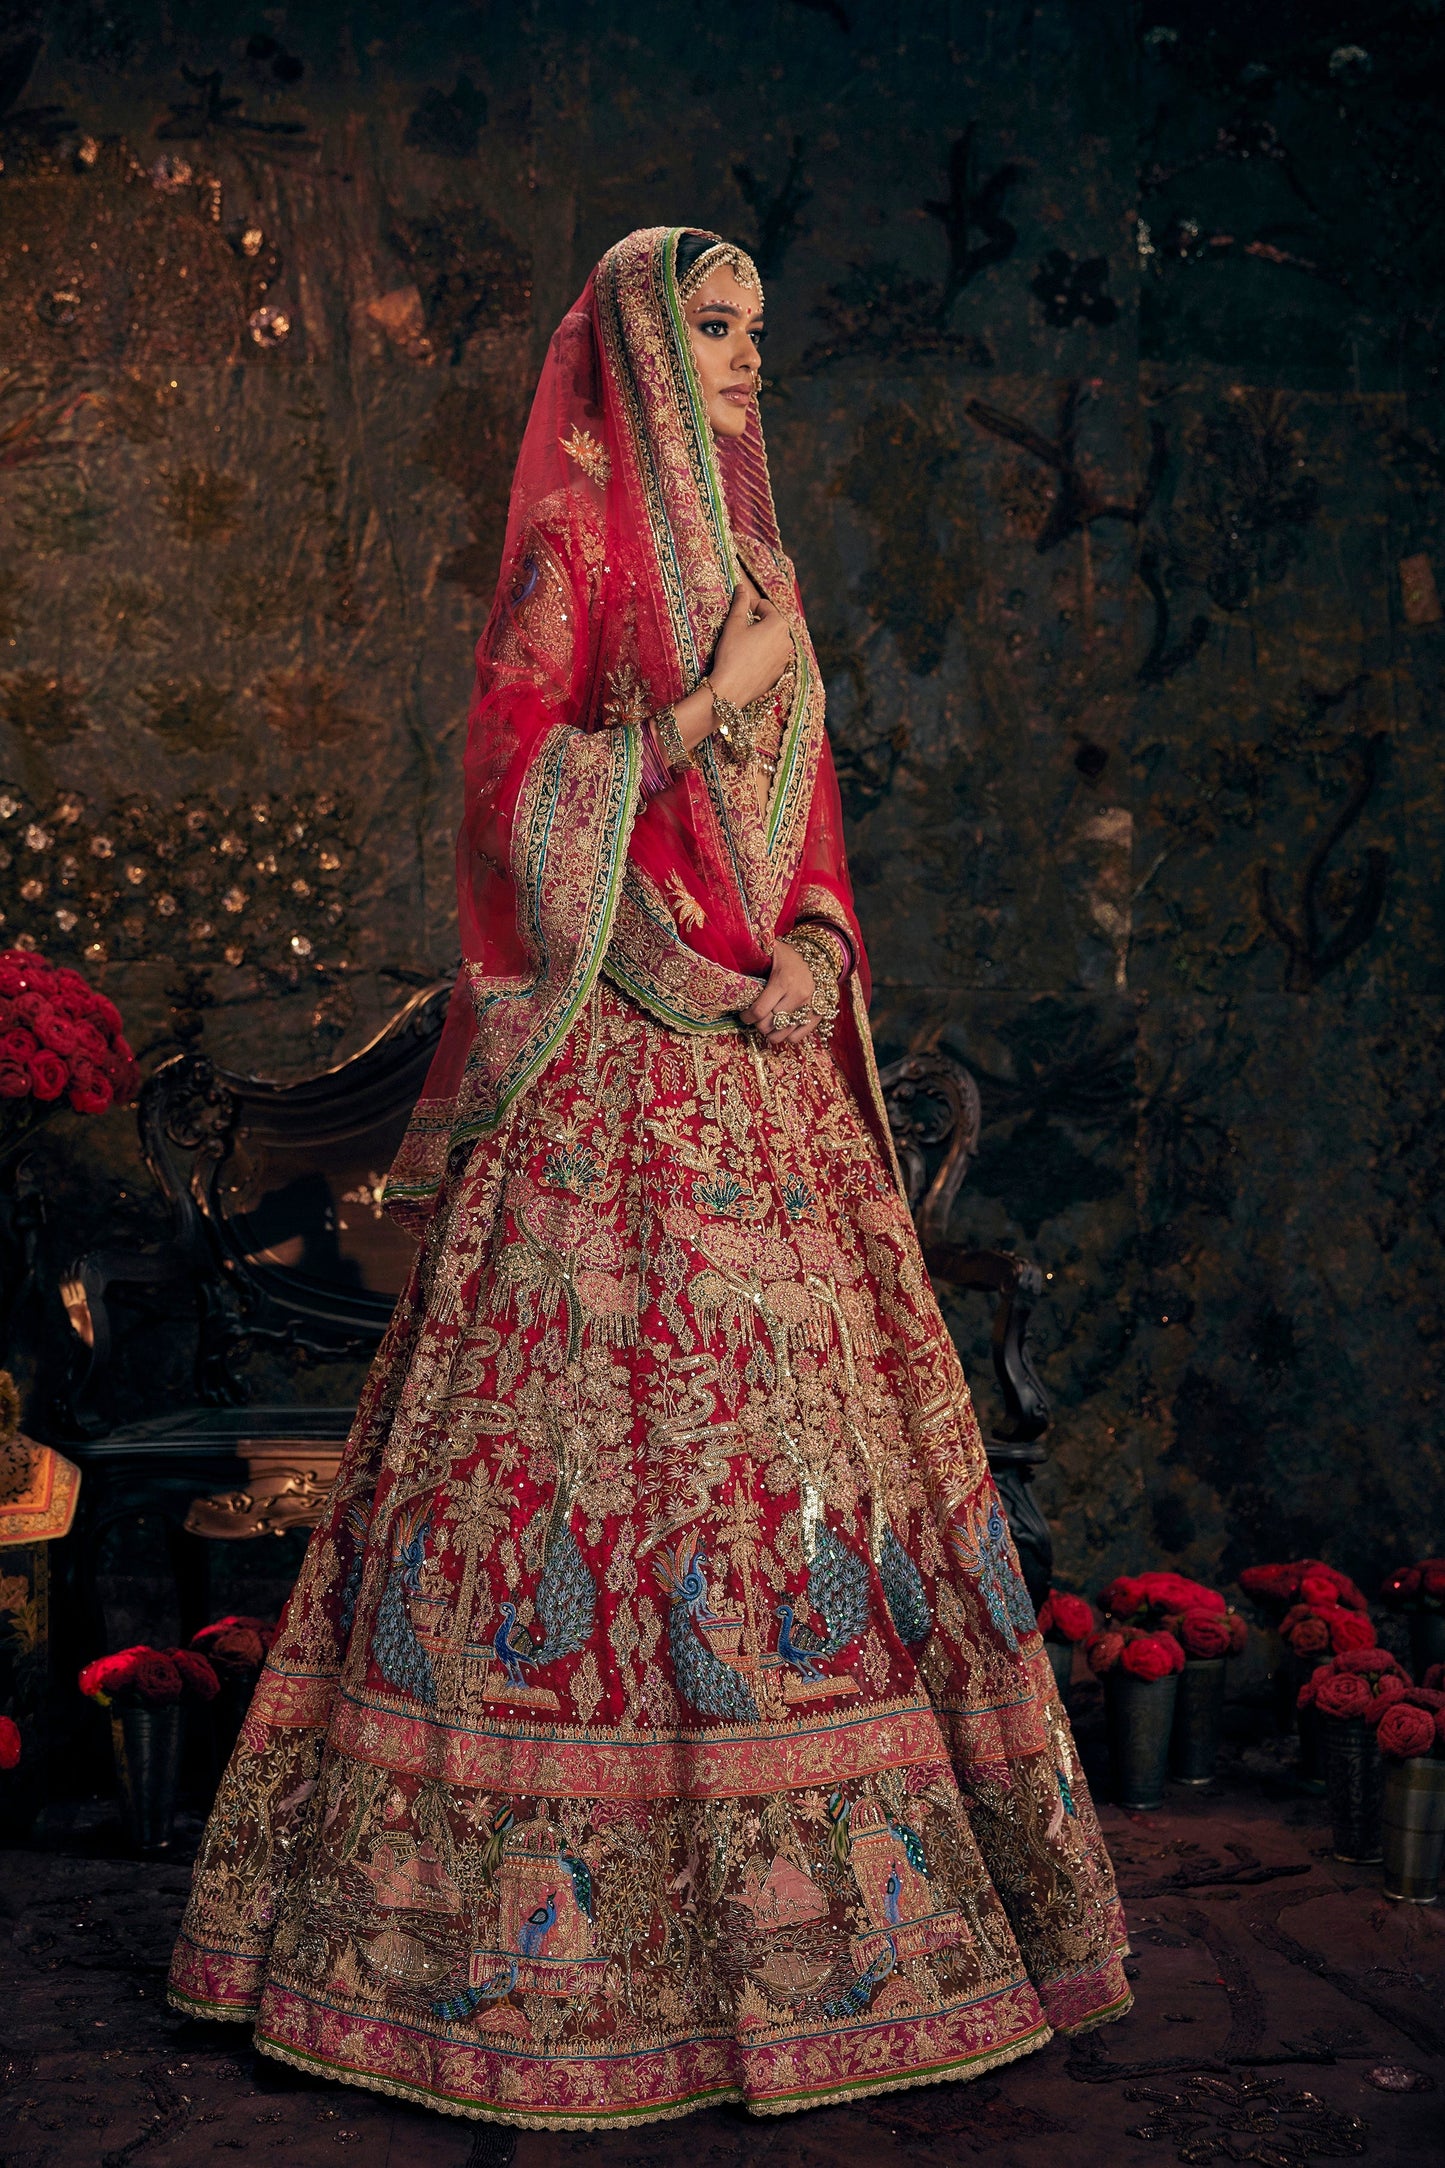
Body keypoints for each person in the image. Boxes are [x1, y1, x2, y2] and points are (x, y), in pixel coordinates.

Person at [169, 226, 1129, 2129]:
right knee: (595, 1475)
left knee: (796, 1477)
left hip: (761, 1079)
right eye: (714, 328)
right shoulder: (575, 552)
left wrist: (819, 959)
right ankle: (545, 1962)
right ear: (635, 344)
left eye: (759, 329)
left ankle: (847, 1935)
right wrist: (713, 717)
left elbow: (814, 833)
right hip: (612, 1079)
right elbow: (524, 803)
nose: (748, 359)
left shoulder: (761, 564)